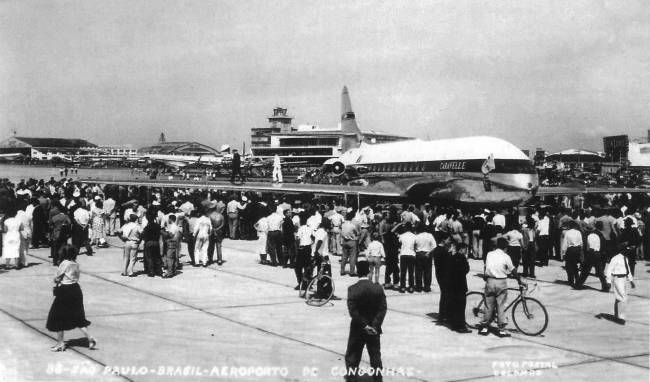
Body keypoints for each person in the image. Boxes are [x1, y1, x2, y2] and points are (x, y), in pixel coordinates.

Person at [46, 244, 96, 352]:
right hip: (76, 290)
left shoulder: (64, 263)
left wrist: (56, 280)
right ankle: (89, 338)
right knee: (78, 317)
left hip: (65, 290)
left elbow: (57, 277)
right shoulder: (75, 264)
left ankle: (60, 343)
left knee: (58, 316)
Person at [344, 260, 387, 382]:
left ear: (358, 272)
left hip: (358, 328)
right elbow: (382, 309)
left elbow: (353, 312)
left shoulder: (352, 289)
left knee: (353, 355)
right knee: (375, 356)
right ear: (369, 272)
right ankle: (378, 379)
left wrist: (364, 325)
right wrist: (374, 325)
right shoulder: (377, 288)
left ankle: (351, 379)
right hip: (374, 329)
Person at [478, 238, 521, 337]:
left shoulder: (489, 254)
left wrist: (486, 276)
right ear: (505, 247)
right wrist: (519, 280)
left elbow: (486, 266)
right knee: (500, 305)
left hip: (490, 280)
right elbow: (513, 269)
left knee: (489, 304)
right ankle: (501, 329)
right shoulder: (506, 256)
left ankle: (485, 327)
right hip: (501, 282)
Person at [605, 244, 636, 325]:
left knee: (618, 297)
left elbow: (627, 269)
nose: (628, 251)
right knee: (623, 297)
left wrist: (631, 280)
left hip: (624, 279)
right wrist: (608, 281)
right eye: (627, 250)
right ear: (622, 250)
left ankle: (616, 315)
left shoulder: (626, 258)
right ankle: (621, 318)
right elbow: (609, 270)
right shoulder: (615, 258)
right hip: (617, 279)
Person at [447, 243, 471, 333]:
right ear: (462, 249)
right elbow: (466, 270)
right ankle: (461, 326)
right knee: (461, 307)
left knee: (454, 305)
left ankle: (454, 324)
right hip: (461, 285)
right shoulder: (462, 258)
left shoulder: (451, 257)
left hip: (452, 285)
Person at [576, 223, 608, 291]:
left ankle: (578, 284)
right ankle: (605, 286)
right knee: (600, 271)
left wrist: (585, 256)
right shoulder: (597, 236)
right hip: (597, 253)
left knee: (585, 270)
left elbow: (589, 247)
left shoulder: (589, 236)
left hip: (591, 253)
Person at [432, 233, 451, 322]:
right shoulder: (443, 251)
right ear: (443, 240)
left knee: (444, 294)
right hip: (444, 275)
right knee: (445, 295)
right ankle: (443, 314)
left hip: (439, 274)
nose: (449, 241)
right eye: (448, 239)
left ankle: (442, 314)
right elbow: (447, 264)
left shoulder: (437, 249)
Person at [395, 222, 416, 293]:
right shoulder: (414, 236)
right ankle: (411, 287)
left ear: (406, 228)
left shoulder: (402, 236)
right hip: (412, 254)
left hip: (403, 254)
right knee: (411, 272)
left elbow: (399, 243)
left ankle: (403, 287)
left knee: (403, 272)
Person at [414, 224, 436, 292]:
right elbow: (434, 246)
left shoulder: (417, 236)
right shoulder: (430, 236)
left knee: (418, 271)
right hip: (427, 254)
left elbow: (414, 245)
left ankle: (419, 287)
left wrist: (416, 251)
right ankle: (427, 287)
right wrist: (429, 252)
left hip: (419, 254)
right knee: (428, 271)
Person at [562, 222, 583, 288]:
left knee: (568, 266)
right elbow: (581, 243)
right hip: (577, 249)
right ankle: (577, 279)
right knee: (575, 265)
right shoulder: (578, 232)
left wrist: (563, 253)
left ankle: (571, 280)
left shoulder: (567, 233)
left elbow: (565, 243)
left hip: (570, 250)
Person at [295, 214, 313, 289]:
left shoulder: (301, 228)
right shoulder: (310, 228)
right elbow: (313, 237)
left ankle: (301, 283)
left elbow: (297, 238)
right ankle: (308, 282)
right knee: (307, 266)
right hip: (308, 248)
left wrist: (297, 247)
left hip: (302, 249)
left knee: (298, 267)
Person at [142, 211, 162, 277]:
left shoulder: (147, 227)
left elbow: (144, 235)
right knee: (157, 257)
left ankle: (151, 272)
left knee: (149, 257)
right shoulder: (157, 226)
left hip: (148, 242)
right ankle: (159, 271)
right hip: (156, 242)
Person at [341, 212, 360, 276]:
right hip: (352, 241)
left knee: (344, 257)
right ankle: (352, 272)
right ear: (352, 218)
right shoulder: (352, 226)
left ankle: (342, 271)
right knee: (352, 257)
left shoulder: (343, 225)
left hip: (344, 241)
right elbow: (357, 233)